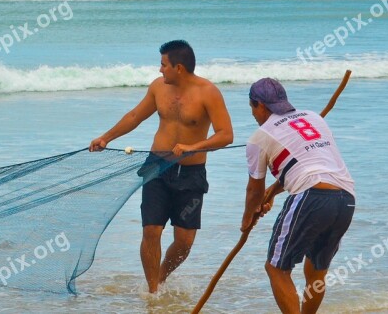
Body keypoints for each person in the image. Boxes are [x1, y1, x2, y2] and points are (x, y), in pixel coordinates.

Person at [89, 40, 233, 293]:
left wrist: (193, 147)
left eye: (163, 65)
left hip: (191, 174)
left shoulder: (208, 92)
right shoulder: (158, 88)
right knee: (151, 230)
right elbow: (135, 116)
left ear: (179, 67)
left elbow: (225, 135)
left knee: (184, 240)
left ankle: (161, 276)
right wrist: (106, 137)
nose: (159, 70)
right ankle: (153, 290)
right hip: (157, 167)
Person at [241, 78, 355, 314]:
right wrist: (272, 193)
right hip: (346, 198)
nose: (253, 114)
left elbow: (254, 190)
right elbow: (306, 164)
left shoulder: (258, 138)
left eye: (252, 107)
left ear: (259, 105)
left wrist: (246, 219)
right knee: (316, 270)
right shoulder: (314, 117)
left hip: (311, 196)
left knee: (276, 269)